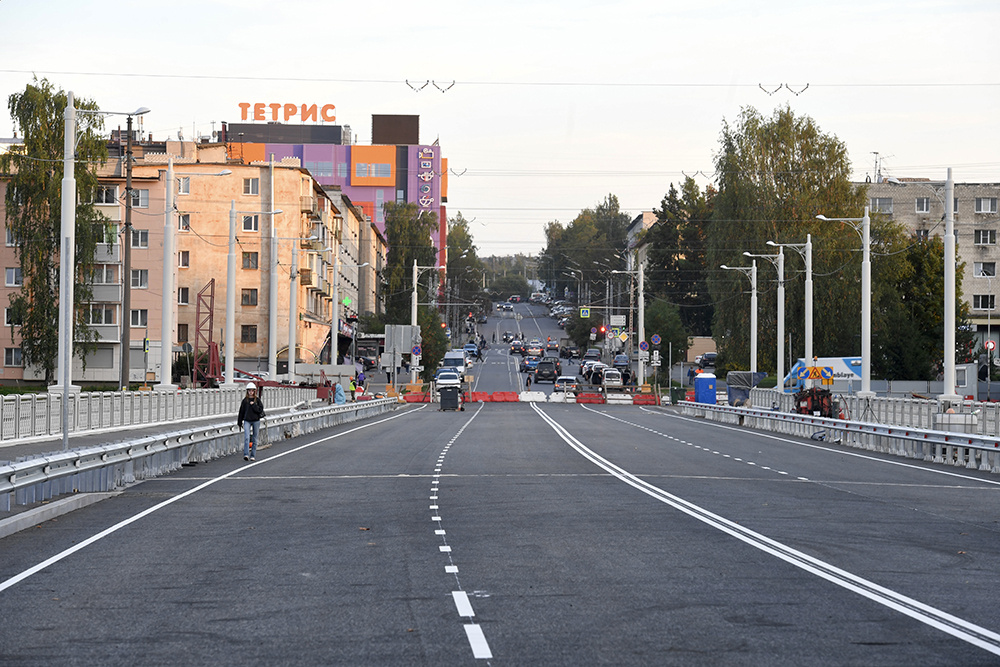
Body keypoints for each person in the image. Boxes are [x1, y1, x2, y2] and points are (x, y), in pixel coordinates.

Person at [237, 383, 265, 462]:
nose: (251, 392)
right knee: (247, 437)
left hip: (256, 420)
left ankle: (252, 455)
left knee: (255, 439)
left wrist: (254, 405)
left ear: (254, 391)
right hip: (247, 420)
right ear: (247, 391)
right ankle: (246, 454)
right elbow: (241, 412)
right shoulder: (245, 401)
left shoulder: (257, 400)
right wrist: (239, 422)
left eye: (252, 391)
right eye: (249, 391)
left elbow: (260, 410)